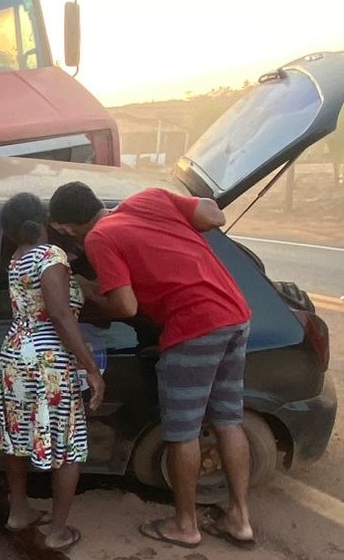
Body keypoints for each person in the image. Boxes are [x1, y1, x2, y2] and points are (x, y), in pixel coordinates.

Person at [48, 181, 255, 550]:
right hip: (235, 314)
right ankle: (239, 519)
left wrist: (90, 294)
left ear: (64, 228)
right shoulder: (149, 198)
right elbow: (213, 213)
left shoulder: (99, 238)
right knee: (228, 420)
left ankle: (185, 526)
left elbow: (125, 307)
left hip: (193, 328)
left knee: (183, 432)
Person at [0, 192, 105, 552]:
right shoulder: (51, 256)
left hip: (15, 353)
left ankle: (19, 511)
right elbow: (58, 315)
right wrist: (91, 369)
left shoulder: (17, 257)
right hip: (48, 360)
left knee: (17, 431)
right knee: (68, 441)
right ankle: (57, 532)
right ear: (44, 220)